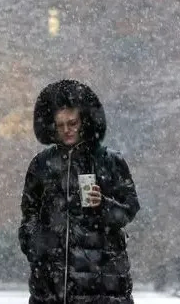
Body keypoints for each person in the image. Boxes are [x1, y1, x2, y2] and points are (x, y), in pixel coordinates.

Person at [19, 79, 140, 304]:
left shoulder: (110, 162)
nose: (67, 130)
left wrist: (103, 205)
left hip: (103, 284)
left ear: (84, 120)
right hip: (51, 285)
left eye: (72, 123)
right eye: (60, 125)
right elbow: (29, 213)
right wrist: (35, 244)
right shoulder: (41, 165)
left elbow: (129, 209)